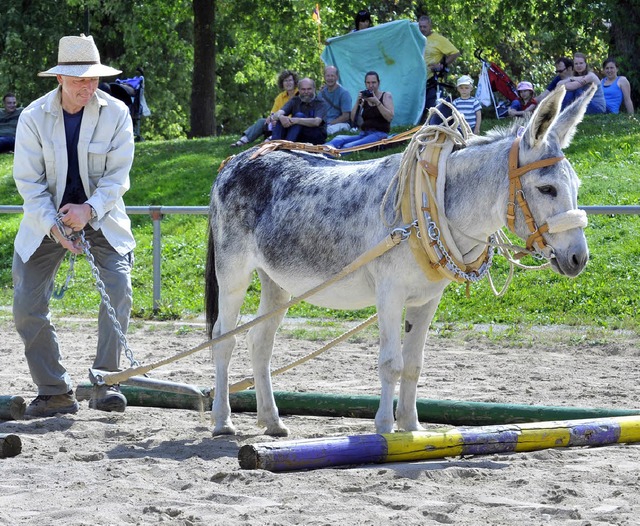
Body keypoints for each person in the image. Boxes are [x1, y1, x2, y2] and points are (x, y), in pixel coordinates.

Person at [13, 34, 135, 417]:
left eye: (93, 78)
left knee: (119, 289)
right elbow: (29, 184)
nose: (87, 85)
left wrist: (88, 211)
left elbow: (118, 179)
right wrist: (53, 226)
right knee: (26, 305)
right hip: (45, 219)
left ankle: (106, 382)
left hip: (102, 216)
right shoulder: (32, 117)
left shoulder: (117, 114)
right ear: (59, 80)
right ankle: (54, 391)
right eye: (78, 79)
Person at [326, 71, 394, 150]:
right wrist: (358, 102)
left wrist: (377, 102)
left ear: (378, 83)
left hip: (379, 134)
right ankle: (319, 150)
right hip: (364, 133)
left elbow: (390, 117)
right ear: (365, 83)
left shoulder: (386, 96)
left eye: (373, 82)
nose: (371, 85)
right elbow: (353, 118)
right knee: (339, 139)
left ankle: (330, 156)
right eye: (368, 83)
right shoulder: (365, 98)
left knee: (348, 146)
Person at [231, 70, 298, 147]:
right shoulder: (280, 97)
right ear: (282, 83)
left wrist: (280, 120)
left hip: (291, 123)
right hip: (277, 122)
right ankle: (242, 141)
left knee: (282, 126)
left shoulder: (300, 94)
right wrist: (272, 118)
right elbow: (273, 113)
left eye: (290, 80)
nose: (288, 83)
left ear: (294, 82)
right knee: (261, 121)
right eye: (285, 81)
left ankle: (269, 141)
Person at [418, 14, 460, 118]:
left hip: (430, 78)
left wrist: (441, 65)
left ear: (430, 26)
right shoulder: (416, 37)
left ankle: (431, 126)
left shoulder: (438, 39)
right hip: (416, 79)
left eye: (425, 27)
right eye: (420, 26)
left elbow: (455, 53)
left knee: (430, 109)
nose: (422, 29)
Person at [270, 77, 328, 144]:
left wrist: (296, 120)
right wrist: (281, 117)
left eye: (309, 89)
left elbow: (316, 122)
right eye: (303, 89)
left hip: (315, 136)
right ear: (299, 90)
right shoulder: (295, 100)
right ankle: (275, 144)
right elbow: (276, 115)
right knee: (281, 119)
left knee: (299, 115)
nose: (306, 92)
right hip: (297, 134)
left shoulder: (320, 102)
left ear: (314, 89)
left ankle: (287, 145)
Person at [318, 66, 352, 135]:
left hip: (340, 123)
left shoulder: (344, 93)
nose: (330, 78)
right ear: (324, 77)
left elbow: (346, 116)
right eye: (328, 76)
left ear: (337, 77)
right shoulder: (321, 93)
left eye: (332, 76)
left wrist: (330, 123)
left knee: (327, 130)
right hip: (324, 123)